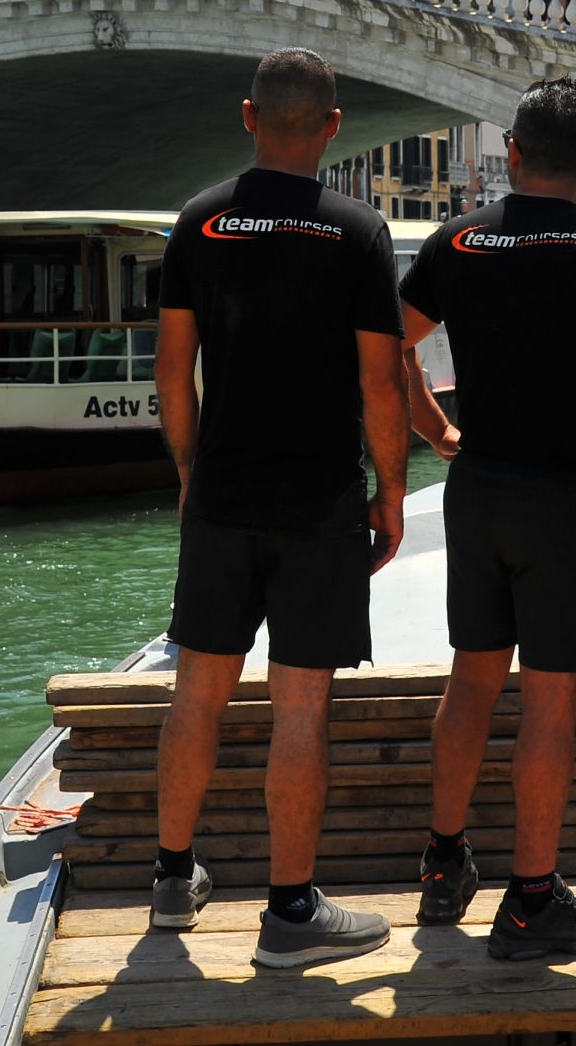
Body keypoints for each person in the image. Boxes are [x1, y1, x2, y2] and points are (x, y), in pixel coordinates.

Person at [397, 78, 576, 961]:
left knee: (472, 679)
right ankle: (530, 902)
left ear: (514, 150)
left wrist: (432, 427)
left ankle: (443, 862)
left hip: (478, 489)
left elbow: (379, 346)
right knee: (551, 701)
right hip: (564, 498)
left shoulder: (457, 239)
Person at [148, 48, 410, 971]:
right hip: (317, 500)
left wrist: (190, 470)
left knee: (197, 689)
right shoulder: (357, 231)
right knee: (301, 705)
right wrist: (391, 489)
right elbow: (382, 381)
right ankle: (291, 911)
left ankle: (171, 879)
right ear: (333, 126)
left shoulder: (199, 221)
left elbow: (171, 369)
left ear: (249, 115)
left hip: (221, 493)